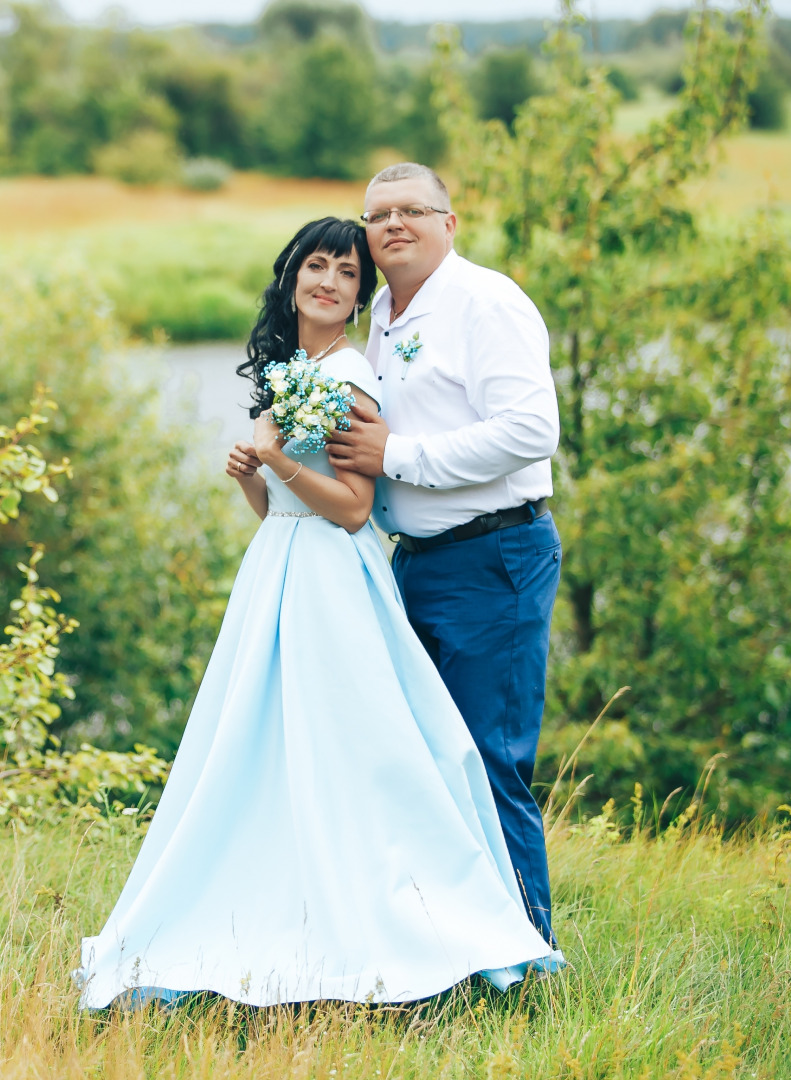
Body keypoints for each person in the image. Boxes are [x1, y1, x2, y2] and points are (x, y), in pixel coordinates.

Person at [75, 216, 561, 1011]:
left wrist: (272, 457)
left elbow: (350, 510)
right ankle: (281, 909)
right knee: (269, 746)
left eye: (346, 271)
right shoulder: (292, 368)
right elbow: (282, 513)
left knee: (355, 751)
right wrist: (250, 477)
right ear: (292, 276)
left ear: (359, 294)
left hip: (335, 578)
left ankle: (444, 929)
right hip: (282, 570)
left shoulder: (349, 376)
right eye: (316, 265)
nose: (329, 281)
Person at [328, 162, 563, 945]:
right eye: (378, 214)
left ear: (449, 223)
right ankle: (450, 951)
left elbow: (532, 431)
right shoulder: (387, 312)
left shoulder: (485, 301)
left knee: (486, 763)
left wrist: (398, 457)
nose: (392, 224)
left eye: (411, 210)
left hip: (492, 557)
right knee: (427, 765)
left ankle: (528, 957)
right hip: (418, 564)